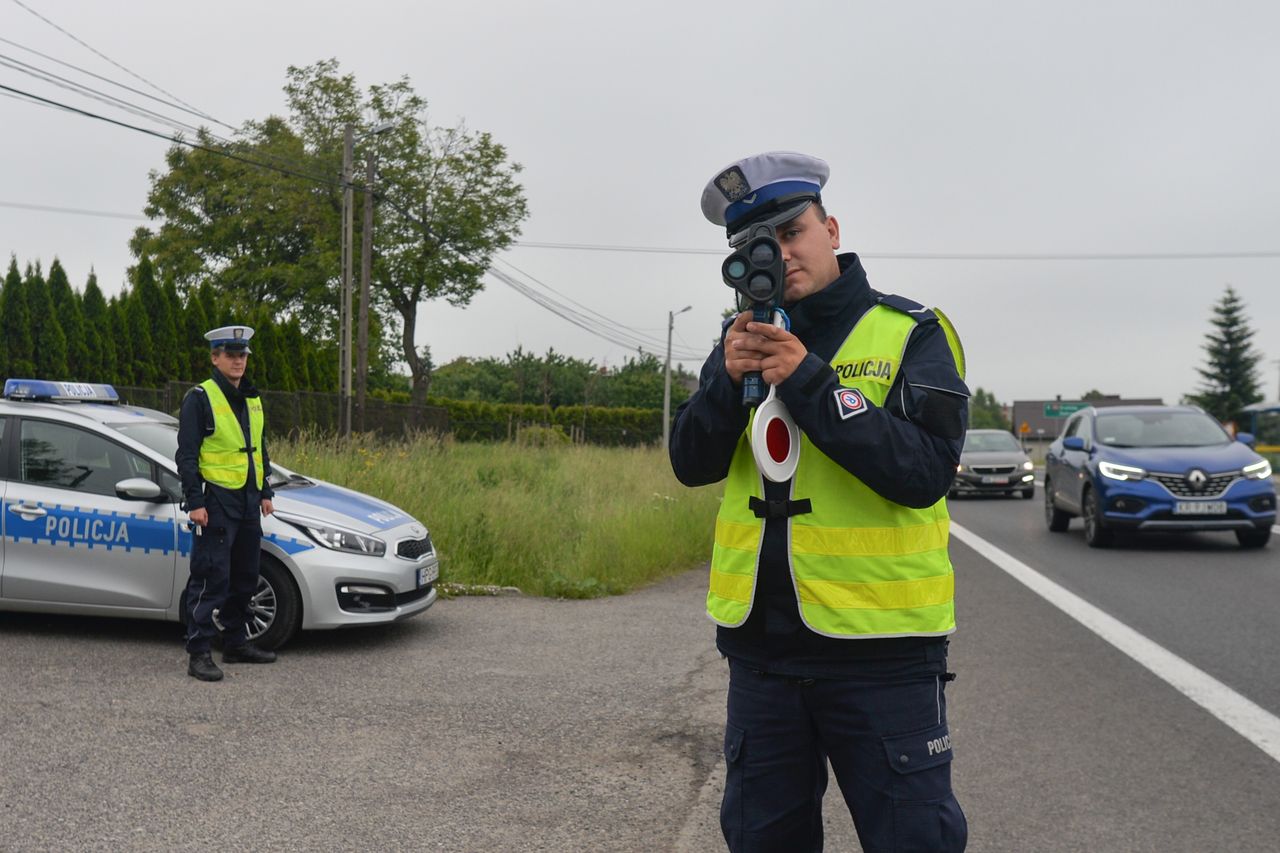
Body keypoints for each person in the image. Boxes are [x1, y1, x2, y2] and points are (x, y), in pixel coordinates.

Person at [670, 152, 970, 851]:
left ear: (831, 228)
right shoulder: (738, 341)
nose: (776, 253)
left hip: (883, 655)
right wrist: (725, 381)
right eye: (753, 246)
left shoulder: (911, 332)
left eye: (791, 232)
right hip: (762, 658)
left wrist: (808, 379)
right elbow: (690, 462)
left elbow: (925, 470)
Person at [177, 324, 278, 681]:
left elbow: (259, 448)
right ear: (215, 358)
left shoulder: (252, 397)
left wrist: (265, 490)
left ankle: (235, 643)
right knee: (210, 578)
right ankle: (199, 652)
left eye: (242, 355)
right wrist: (195, 501)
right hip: (216, 501)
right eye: (231, 355)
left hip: (249, 500)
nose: (238, 361)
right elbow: (187, 456)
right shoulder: (199, 398)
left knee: (246, 577)